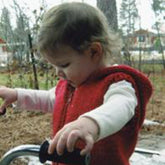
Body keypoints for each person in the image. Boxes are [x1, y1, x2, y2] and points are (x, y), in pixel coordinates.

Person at [0, 2, 153, 165]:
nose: (58, 72)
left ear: (94, 51)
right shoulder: (71, 85)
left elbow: (120, 108)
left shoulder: (118, 84)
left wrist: (90, 123)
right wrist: (17, 95)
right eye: (54, 65)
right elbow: (51, 99)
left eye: (64, 65)